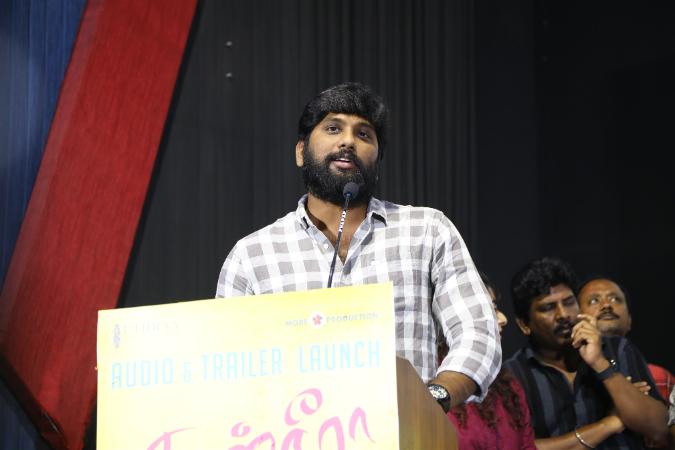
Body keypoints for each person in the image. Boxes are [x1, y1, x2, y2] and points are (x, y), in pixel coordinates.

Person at [216, 82, 501, 409]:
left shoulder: (427, 231)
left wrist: (433, 399)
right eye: (333, 128)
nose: (348, 141)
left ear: (377, 158)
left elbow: (479, 331)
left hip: (407, 430)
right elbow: (225, 365)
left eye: (364, 134)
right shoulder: (252, 256)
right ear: (300, 152)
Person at [505, 257, 668, 449]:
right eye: (548, 308)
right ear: (524, 325)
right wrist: (610, 424)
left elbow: (658, 428)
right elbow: (520, 447)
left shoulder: (617, 349)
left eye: (569, 302)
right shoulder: (512, 376)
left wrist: (600, 363)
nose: (563, 315)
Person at [446, 272, 536, 449]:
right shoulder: (426, 383)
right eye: (489, 309)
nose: (503, 319)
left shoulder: (505, 384)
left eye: (496, 307)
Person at [578, 277, 674, 403]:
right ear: (576, 316)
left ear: (629, 320)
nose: (606, 305)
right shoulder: (572, 378)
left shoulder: (661, 378)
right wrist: (623, 402)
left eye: (615, 299)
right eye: (594, 300)